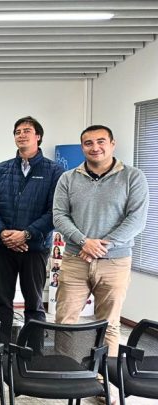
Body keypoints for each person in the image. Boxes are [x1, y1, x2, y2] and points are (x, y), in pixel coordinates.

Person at [53, 124, 148, 355]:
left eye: (101, 141)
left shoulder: (132, 177)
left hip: (115, 262)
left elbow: (136, 219)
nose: (95, 147)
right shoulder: (68, 178)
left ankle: (106, 381)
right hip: (76, 259)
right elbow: (59, 215)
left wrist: (103, 245)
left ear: (112, 144)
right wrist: (84, 241)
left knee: (110, 324)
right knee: (65, 321)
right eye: (88, 143)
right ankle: (67, 378)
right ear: (82, 147)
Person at [0, 116, 64, 345]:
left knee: (34, 303)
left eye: (27, 130)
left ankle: (33, 352)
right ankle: (1, 348)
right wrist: (2, 233)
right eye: (17, 131)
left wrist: (25, 234)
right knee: (2, 301)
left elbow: (55, 211)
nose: (21, 135)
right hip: (2, 247)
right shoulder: (1, 169)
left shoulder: (54, 171)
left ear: (38, 136)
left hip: (35, 248)